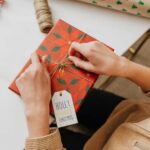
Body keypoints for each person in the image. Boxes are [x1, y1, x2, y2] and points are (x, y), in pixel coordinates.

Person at [16, 41, 150, 150]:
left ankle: (56, 128)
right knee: (64, 93)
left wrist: (36, 112)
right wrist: (124, 66)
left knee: (57, 133)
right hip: (130, 113)